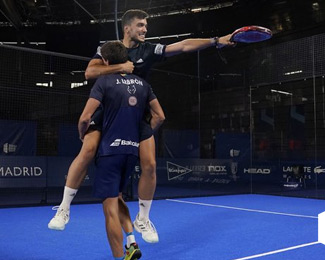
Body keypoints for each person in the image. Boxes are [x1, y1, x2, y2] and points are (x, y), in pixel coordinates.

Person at [49, 9, 234, 243]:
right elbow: (90, 72)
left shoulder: (149, 50)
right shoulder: (109, 49)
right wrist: (120, 67)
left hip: (137, 113)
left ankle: (143, 219)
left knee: (150, 165)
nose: (145, 29)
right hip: (107, 110)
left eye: (145, 25)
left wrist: (216, 41)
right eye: (140, 25)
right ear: (127, 28)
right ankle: (64, 209)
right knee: (86, 151)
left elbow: (183, 46)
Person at [79, 41, 163, 260]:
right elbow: (160, 117)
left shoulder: (105, 81)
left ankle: (119, 257)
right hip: (131, 152)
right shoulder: (143, 84)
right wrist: (141, 136)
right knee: (117, 197)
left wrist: (82, 133)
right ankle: (132, 241)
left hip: (109, 153)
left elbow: (85, 118)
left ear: (106, 61)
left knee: (109, 209)